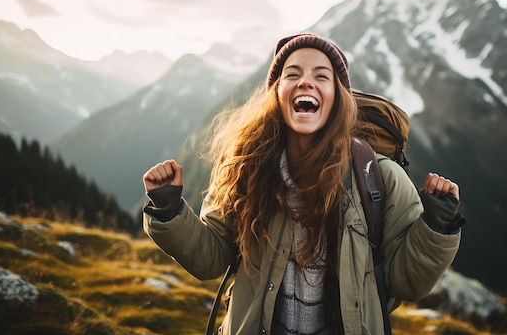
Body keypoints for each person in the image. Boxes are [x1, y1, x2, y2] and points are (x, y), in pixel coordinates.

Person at [142, 33, 465, 335]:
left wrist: (437, 226)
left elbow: (407, 283)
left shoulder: (380, 177)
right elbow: (210, 259)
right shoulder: (243, 168)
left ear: (339, 98)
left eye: (321, 76)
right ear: (277, 93)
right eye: (292, 74)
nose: (305, 81)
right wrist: (169, 210)